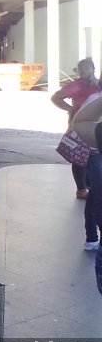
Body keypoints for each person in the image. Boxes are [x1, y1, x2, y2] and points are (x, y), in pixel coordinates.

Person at [52, 58, 98, 199]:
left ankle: (92, 186)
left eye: (87, 68)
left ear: (93, 69)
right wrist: (71, 109)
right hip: (79, 126)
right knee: (79, 158)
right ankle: (81, 189)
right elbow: (55, 98)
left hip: (96, 126)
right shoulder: (76, 85)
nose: (84, 71)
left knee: (94, 157)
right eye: (81, 68)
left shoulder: (99, 85)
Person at [71, 94, 102, 251]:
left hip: (96, 151)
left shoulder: (95, 98)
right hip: (95, 154)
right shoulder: (93, 96)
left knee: (96, 195)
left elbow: (79, 122)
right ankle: (91, 237)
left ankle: (91, 237)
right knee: (96, 195)